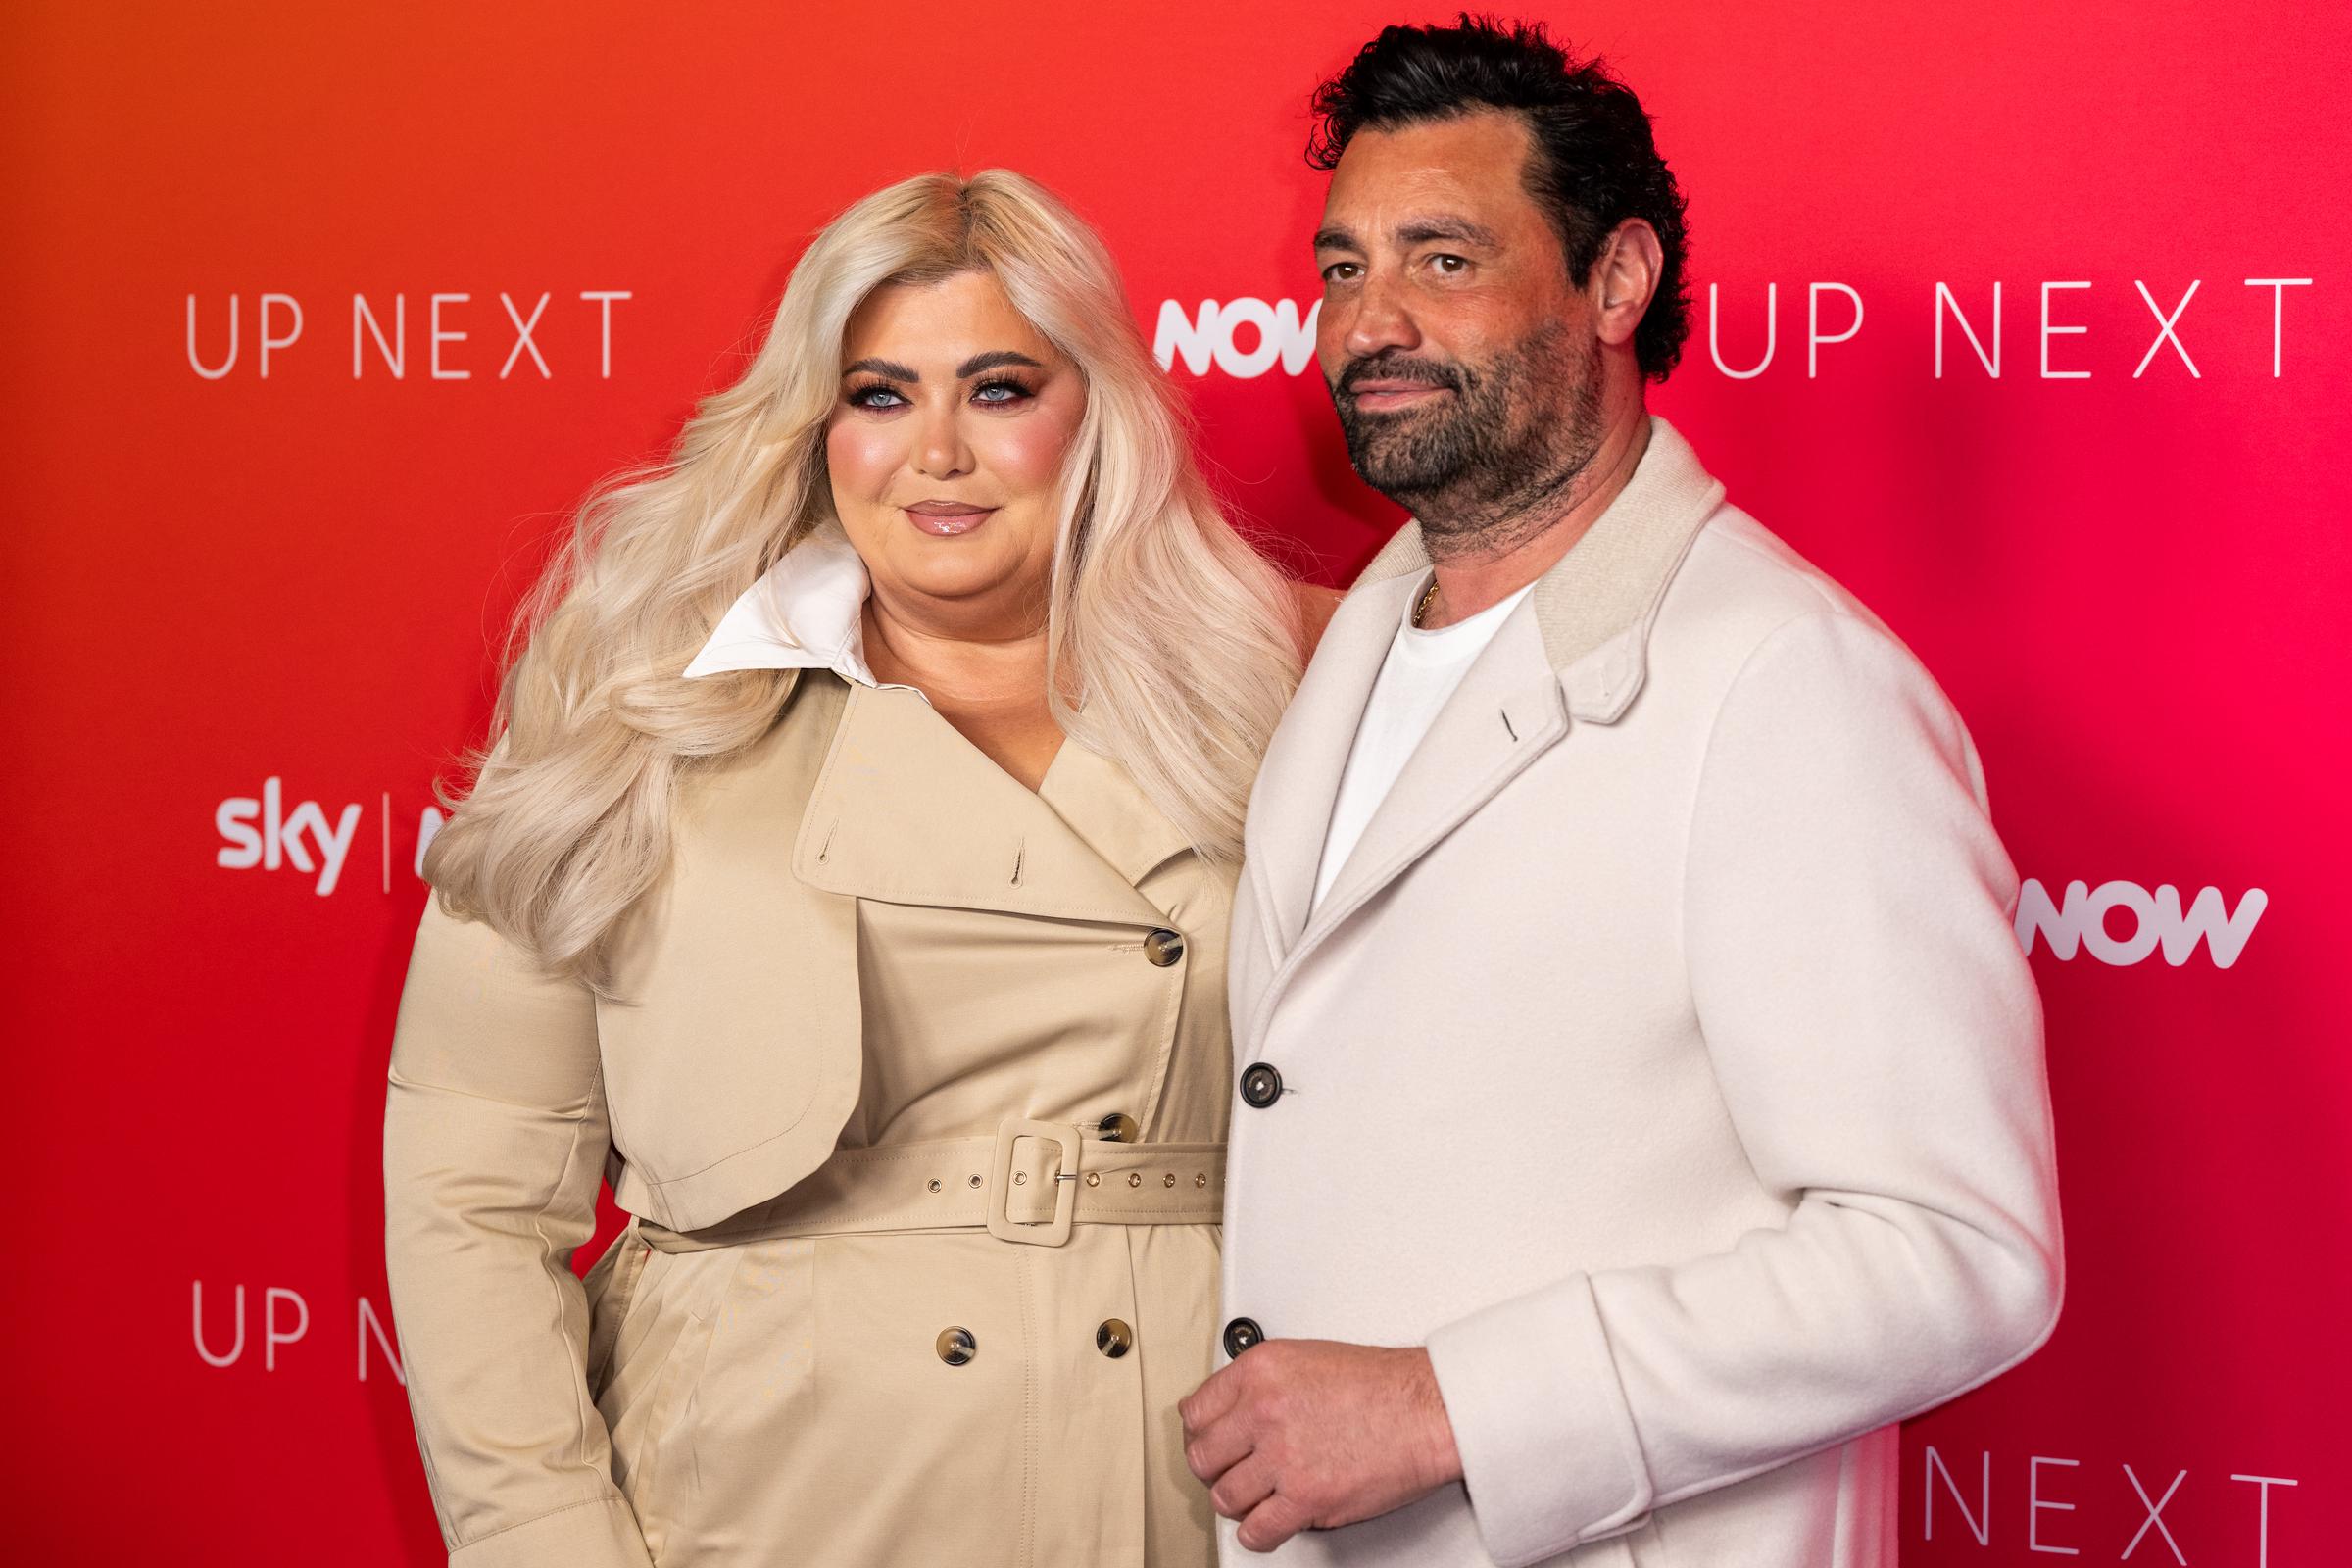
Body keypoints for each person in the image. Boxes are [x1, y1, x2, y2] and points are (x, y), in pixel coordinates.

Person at [1182, 20, 2064, 1567]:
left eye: (1442, 259)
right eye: (1340, 270)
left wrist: (1451, 1409)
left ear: (1616, 282)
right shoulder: (1354, 643)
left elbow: (1957, 1252)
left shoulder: (1788, 680)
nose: (1367, 321)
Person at [382, 168, 1338, 1568]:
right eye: (880, 393)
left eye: (1000, 390)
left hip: (1175, 1483)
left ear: (1097, 417)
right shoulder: (635, 700)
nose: (934, 452)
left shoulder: (1290, 681)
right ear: (816, 422)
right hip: (765, 1499)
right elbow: (471, 1186)